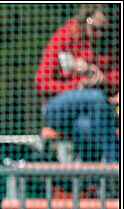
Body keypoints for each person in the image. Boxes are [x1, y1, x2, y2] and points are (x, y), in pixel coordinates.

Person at [35, 4, 119, 163]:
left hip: (94, 113)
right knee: (94, 98)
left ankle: (89, 184)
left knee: (85, 127)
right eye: (95, 28)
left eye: (103, 29)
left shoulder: (109, 42)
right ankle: (115, 163)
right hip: (58, 108)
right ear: (85, 19)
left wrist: (103, 80)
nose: (99, 34)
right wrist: (76, 86)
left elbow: (116, 76)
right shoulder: (66, 35)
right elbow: (41, 82)